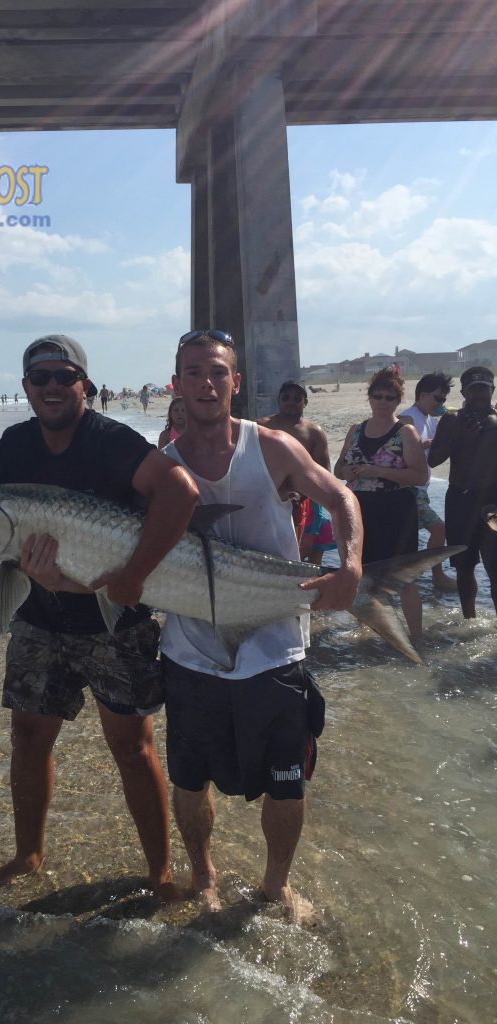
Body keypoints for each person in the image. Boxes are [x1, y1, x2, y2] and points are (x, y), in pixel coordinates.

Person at [0, 334, 198, 897]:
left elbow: (179, 493)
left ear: (84, 386)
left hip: (113, 620)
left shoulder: (112, 441)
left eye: (62, 377)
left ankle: (159, 873)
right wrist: (26, 562)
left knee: (133, 748)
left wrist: (134, 575)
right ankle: (27, 856)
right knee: (27, 737)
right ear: (25, 388)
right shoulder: (14, 445)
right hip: (41, 617)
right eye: (38, 378)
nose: (50, 387)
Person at [160, 329, 363, 918]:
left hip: (275, 652)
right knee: (189, 780)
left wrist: (349, 566)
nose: (206, 382)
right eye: (193, 372)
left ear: (236, 383)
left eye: (218, 372)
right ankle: (204, 876)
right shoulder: (160, 468)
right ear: (177, 384)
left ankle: (275, 886)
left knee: (286, 783)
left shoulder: (272, 448)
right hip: (190, 655)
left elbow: (340, 495)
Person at [334, 366, 427, 640]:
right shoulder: (356, 429)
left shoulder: (405, 433)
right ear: (369, 397)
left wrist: (379, 471)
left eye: (389, 397)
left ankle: (417, 638)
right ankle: (368, 633)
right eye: (378, 396)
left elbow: (420, 475)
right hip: (360, 509)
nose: (383, 402)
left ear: (398, 401)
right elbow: (338, 468)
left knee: (403, 578)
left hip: (396, 511)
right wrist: (347, 472)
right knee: (362, 574)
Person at [429, 365, 497, 618]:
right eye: (473, 390)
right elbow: (433, 460)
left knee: (496, 566)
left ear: (492, 390)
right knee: (464, 566)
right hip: (460, 499)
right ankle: (469, 620)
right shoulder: (452, 420)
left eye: (484, 389)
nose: (479, 395)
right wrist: (459, 437)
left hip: (493, 501)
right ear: (464, 392)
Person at [398, 372, 457, 591]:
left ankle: (407, 579)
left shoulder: (430, 420)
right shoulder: (408, 418)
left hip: (421, 489)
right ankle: (436, 576)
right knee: (439, 530)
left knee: (409, 539)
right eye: (437, 398)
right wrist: (430, 442)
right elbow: (398, 450)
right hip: (408, 489)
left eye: (443, 399)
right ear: (422, 395)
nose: (440, 403)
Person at [257, 381, 331, 551]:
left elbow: (325, 473)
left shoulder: (314, 433)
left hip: (297, 502)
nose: (291, 401)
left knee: (291, 549)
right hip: (263, 498)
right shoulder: (260, 426)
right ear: (279, 400)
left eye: (297, 398)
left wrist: (301, 495)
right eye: (286, 397)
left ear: (305, 403)